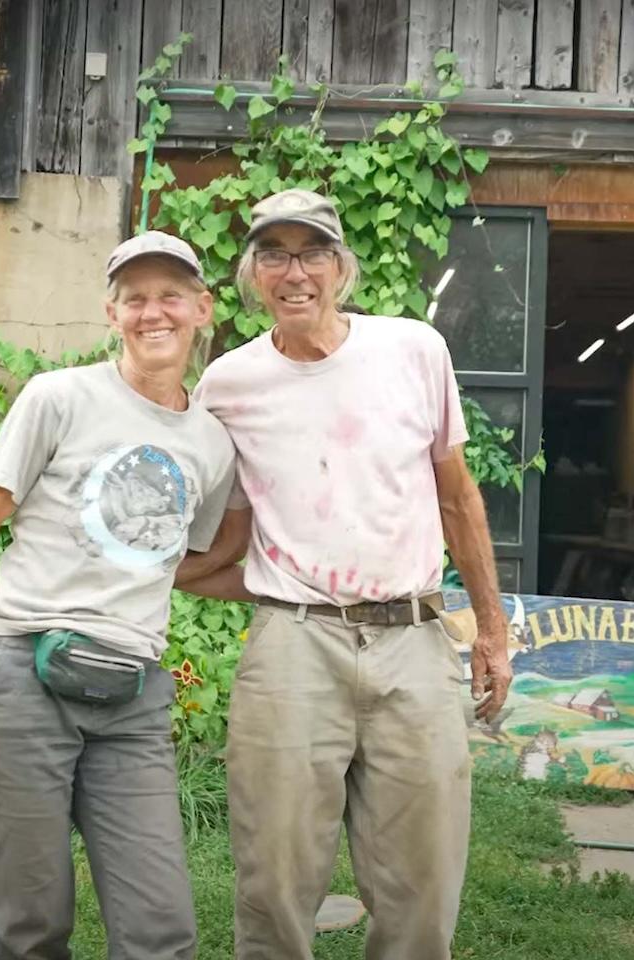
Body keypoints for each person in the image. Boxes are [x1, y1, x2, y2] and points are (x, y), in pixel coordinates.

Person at [177, 189, 511, 960]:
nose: (294, 273)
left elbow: (458, 500)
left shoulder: (413, 350)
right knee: (275, 878)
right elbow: (215, 527)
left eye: (312, 252)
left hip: (417, 638)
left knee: (423, 882)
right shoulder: (227, 384)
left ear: (341, 267)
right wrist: (143, 565)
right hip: (294, 646)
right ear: (251, 275)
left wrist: (491, 632)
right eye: (273, 254)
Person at [0, 231, 236, 960]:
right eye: (134, 300)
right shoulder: (58, 398)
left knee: (162, 928)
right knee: (32, 924)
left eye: (170, 297)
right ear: (111, 312)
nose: (152, 313)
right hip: (21, 676)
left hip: (133, 695)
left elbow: (176, 557)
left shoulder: (212, 445)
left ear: (202, 308)